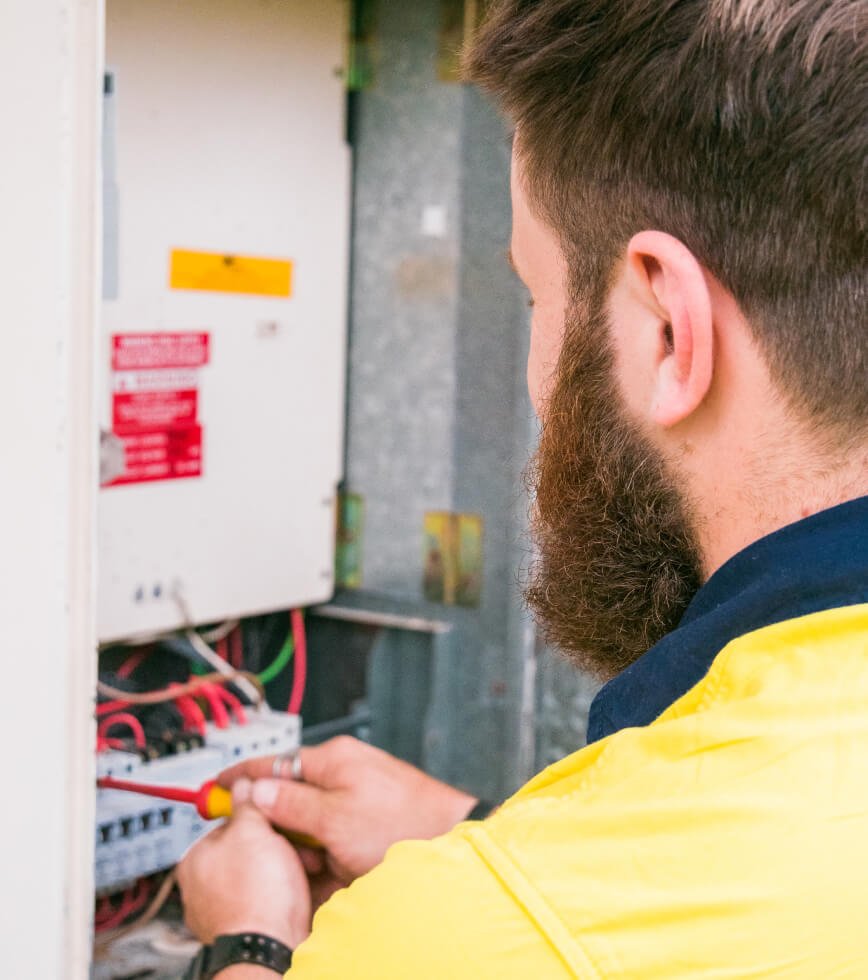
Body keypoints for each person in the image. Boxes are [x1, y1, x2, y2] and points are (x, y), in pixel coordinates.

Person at [176, 0, 868, 975]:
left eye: (534, 294)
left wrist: (245, 943)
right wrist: (482, 830)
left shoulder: (447, 941)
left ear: (666, 327)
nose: (535, 374)